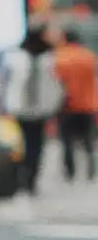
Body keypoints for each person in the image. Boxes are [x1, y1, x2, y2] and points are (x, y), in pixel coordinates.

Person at [3, 26, 64, 196]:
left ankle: (30, 179)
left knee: (36, 147)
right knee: (20, 146)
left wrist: (54, 104)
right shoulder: (17, 58)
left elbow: (55, 84)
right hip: (20, 109)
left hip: (40, 110)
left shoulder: (48, 59)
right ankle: (21, 177)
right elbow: (7, 83)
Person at [51, 27, 97, 182]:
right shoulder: (89, 56)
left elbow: (56, 83)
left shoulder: (60, 58)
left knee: (67, 141)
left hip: (67, 106)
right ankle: (91, 169)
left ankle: (70, 172)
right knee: (88, 141)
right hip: (88, 105)